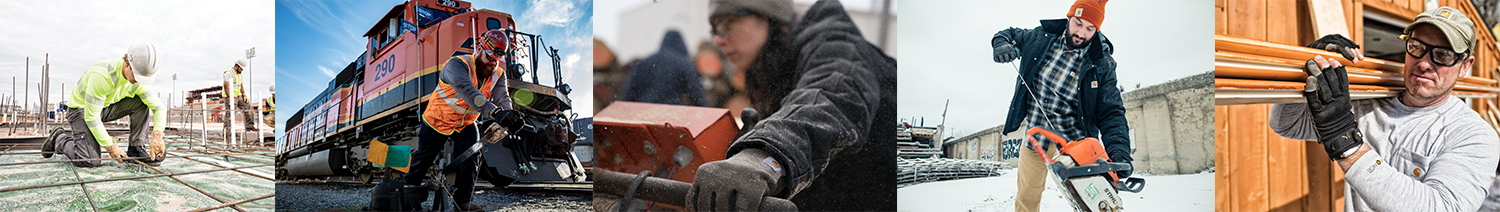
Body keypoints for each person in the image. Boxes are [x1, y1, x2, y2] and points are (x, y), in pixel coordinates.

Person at [1271, 7, 1499, 211]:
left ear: (1465, 66)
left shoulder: (1474, 135)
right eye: (1417, 47)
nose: (1424, 63)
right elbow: (1287, 125)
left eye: (1443, 55)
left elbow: (1440, 207)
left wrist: (1346, 143)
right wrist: (1305, 66)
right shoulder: (1369, 104)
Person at [685, 0, 897, 211]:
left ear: (767, 14)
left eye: (726, 23)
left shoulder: (837, 47)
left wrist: (762, 156)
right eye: (714, 30)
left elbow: (828, 98)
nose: (718, 40)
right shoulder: (777, 67)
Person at [989, 1, 1134, 211]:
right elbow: (1008, 34)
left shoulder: (1102, 63)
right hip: (1036, 139)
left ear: (1097, 30)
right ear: (1069, 18)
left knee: (1094, 201)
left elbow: (1111, 111)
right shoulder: (1040, 38)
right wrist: (1001, 43)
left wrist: (1119, 151)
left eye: (1090, 28)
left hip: (1077, 144)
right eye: (1078, 23)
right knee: (1027, 198)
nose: (1081, 33)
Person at [401, 29, 514, 211]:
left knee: (472, 155)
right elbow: (470, 94)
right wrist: (496, 113)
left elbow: (503, 97)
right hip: (437, 119)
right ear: (479, 49)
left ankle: (462, 202)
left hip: (465, 124)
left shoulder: (498, 75)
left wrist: (509, 115)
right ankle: (407, 198)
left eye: (497, 59)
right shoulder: (456, 65)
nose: (493, 62)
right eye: (490, 57)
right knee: (422, 160)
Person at [43, 43, 169, 167]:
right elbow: (91, 117)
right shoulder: (103, 76)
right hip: (80, 109)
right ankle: (59, 139)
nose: (138, 81)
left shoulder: (139, 82)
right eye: (136, 75)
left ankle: (136, 148)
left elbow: (159, 107)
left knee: (141, 102)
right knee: (90, 160)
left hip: (103, 107)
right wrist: (110, 146)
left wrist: (157, 135)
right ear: (126, 63)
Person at [621, 30, 708, 106]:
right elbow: (696, 92)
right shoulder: (684, 63)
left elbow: (630, 90)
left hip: (644, 112)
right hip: (671, 114)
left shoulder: (645, 62)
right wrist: (704, 112)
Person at [222, 58, 258, 132]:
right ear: (236, 66)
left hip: (238, 95)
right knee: (230, 112)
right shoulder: (229, 73)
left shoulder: (239, 74)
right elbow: (226, 86)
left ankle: (249, 125)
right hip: (229, 96)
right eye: (241, 68)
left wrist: (244, 94)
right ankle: (227, 132)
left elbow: (240, 84)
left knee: (248, 106)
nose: (242, 70)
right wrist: (229, 98)